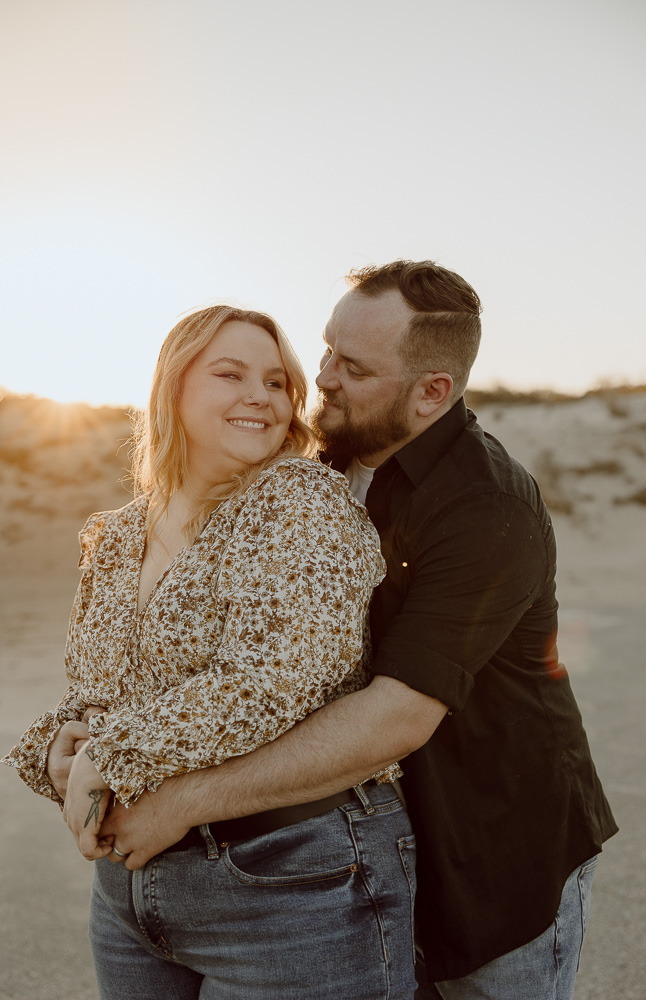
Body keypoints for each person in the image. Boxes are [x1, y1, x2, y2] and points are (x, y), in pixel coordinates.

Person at [48, 262, 617, 1000]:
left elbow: (396, 714)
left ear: (432, 393)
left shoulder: (487, 508)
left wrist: (179, 804)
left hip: (494, 836)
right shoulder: (313, 469)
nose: (319, 378)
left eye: (350, 366)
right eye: (322, 351)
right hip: (359, 828)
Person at [2, 304, 418, 1000]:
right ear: (174, 388)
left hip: (292, 881)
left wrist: (114, 754)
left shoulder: (299, 499)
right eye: (230, 374)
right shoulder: (115, 534)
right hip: (132, 888)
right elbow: (99, 696)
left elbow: (272, 680)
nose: (259, 394)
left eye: (277, 381)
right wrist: (51, 748)